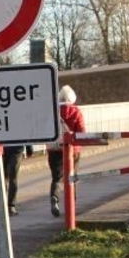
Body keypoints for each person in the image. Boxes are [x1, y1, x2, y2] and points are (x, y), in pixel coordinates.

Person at [47, 84, 86, 217]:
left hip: (54, 148)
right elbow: (81, 132)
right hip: (72, 150)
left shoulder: (52, 111)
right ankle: (72, 206)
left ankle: (55, 198)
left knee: (57, 177)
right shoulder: (76, 111)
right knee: (72, 177)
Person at [3, 144, 34, 216]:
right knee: (10, 177)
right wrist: (29, 148)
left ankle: (8, 205)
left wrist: (29, 147)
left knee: (7, 177)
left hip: (10, 149)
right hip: (11, 149)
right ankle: (8, 206)